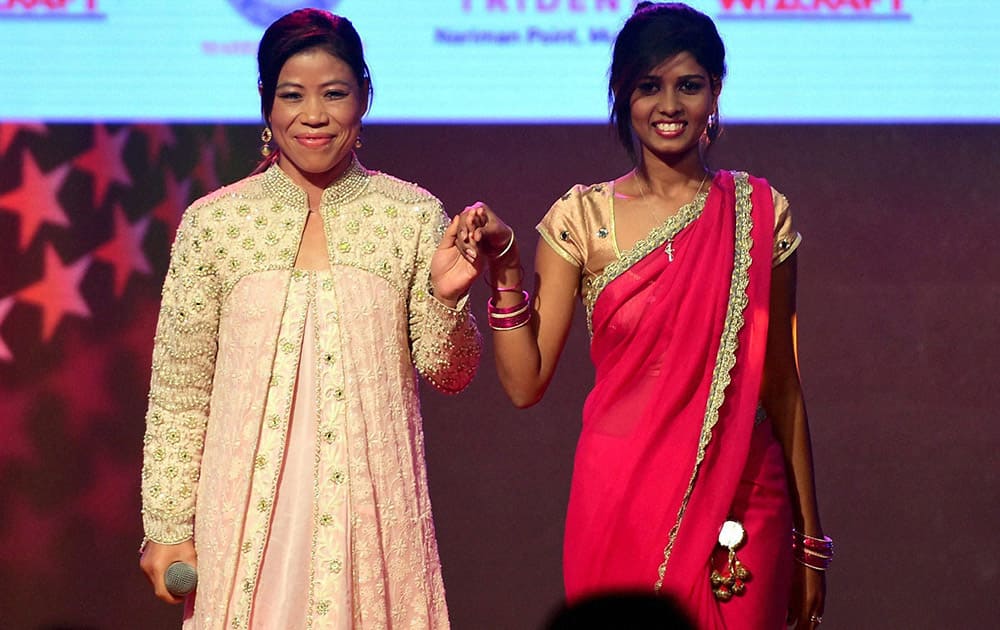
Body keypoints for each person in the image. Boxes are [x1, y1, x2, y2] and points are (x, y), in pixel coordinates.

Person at [462, 3, 830, 628]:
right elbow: (526, 383)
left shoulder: (759, 215)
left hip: (742, 498)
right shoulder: (582, 219)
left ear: (716, 92)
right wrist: (505, 276)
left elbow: (783, 385)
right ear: (622, 95)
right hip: (621, 498)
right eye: (648, 86)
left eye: (689, 85)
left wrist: (811, 542)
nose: (669, 105)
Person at [138, 9, 482, 629]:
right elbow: (179, 393)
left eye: (335, 94)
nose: (314, 116)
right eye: (292, 95)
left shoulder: (409, 213)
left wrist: (443, 296)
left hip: (370, 517)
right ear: (267, 104)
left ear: (365, 98)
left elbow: (449, 371)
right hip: (244, 518)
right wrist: (166, 527)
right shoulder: (216, 223)